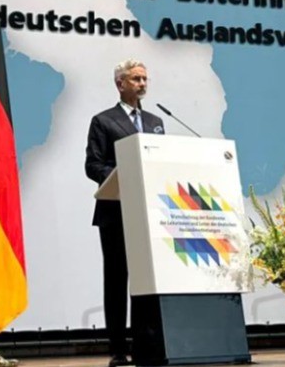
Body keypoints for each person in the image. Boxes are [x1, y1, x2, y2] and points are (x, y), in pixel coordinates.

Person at [85, 59, 164, 367]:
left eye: (145, 78)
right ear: (120, 83)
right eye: (135, 79)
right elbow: (93, 165)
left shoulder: (156, 122)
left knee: (148, 281)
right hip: (116, 211)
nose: (142, 84)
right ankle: (118, 349)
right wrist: (126, 173)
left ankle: (148, 344)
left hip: (149, 213)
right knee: (117, 280)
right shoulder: (103, 121)